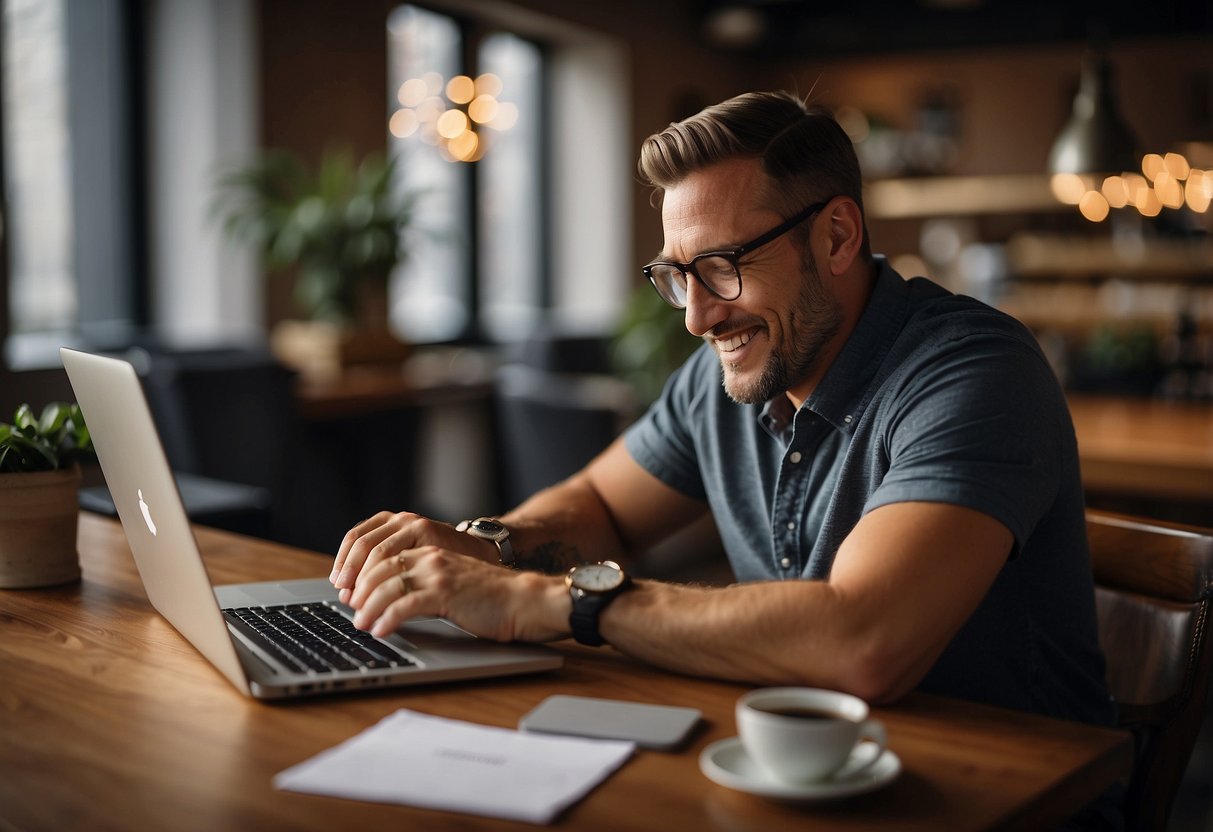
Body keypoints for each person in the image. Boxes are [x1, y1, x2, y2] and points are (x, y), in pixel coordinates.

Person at [330, 90, 1113, 730]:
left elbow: (862, 642)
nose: (697, 318)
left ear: (836, 236)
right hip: (793, 765)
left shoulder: (971, 372)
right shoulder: (734, 372)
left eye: (722, 268)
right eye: (676, 276)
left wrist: (542, 601)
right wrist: (487, 551)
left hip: (1007, 793)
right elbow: (602, 502)